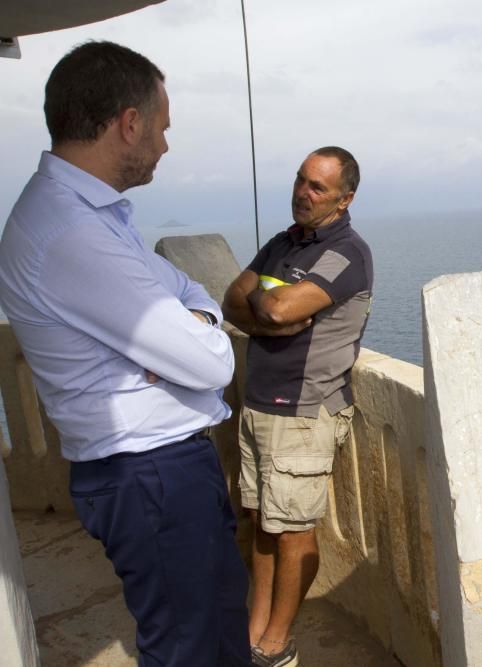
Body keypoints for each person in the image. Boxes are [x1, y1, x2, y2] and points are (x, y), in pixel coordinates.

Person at [0, 41, 252, 666]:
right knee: (187, 649)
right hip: (150, 476)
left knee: (218, 630)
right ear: (129, 123)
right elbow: (214, 364)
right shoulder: (72, 230)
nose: (165, 146)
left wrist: (194, 325)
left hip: (157, 470)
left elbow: (193, 293)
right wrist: (196, 340)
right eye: (161, 128)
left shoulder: (92, 215)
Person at [223, 146, 373, 667]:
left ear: (344, 199)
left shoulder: (345, 252)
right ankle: (255, 630)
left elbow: (280, 304)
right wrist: (270, 311)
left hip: (303, 413)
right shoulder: (283, 243)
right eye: (300, 180)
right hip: (261, 405)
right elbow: (231, 299)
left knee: (294, 533)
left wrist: (268, 301)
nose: (302, 193)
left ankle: (277, 644)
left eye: (317, 188)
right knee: (265, 524)